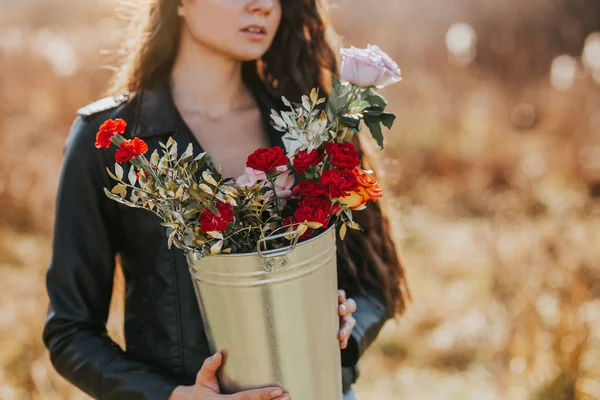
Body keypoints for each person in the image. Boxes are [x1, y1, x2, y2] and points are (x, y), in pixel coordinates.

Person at [42, 0, 409, 399]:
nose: (263, 6)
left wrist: (344, 328)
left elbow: (374, 282)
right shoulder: (107, 141)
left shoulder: (312, 126)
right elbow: (71, 331)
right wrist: (173, 396)